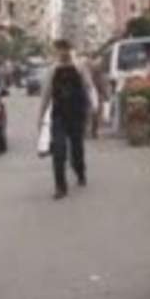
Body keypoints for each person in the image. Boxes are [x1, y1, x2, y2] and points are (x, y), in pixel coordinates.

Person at [38, 39, 97, 200]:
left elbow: (89, 87)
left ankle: (80, 171)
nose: (62, 52)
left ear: (69, 50)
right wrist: (41, 117)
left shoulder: (79, 67)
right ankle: (60, 187)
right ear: (56, 52)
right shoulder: (52, 70)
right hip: (59, 115)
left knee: (77, 149)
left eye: (65, 49)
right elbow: (46, 95)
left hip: (77, 114)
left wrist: (92, 109)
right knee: (58, 150)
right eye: (59, 49)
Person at [88, 55, 108, 139]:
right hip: (97, 94)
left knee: (94, 114)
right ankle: (96, 132)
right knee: (97, 114)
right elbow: (102, 85)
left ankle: (94, 131)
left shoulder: (92, 73)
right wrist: (106, 94)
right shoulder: (99, 75)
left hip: (94, 94)